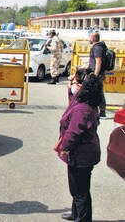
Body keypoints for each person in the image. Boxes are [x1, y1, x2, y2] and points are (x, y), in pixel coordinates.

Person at [56, 74, 102, 222]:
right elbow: (72, 100)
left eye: (79, 83)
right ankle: (75, 213)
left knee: (80, 191)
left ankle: (82, 219)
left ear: (85, 88)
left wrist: (65, 146)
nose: (76, 85)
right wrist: (70, 88)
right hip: (85, 153)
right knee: (77, 189)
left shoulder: (83, 109)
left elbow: (74, 132)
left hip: (81, 155)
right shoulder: (88, 103)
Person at [88, 32, 107, 118]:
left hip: (97, 74)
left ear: (93, 38)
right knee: (97, 92)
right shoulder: (97, 47)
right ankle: (99, 111)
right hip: (97, 73)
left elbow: (98, 62)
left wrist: (95, 75)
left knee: (98, 92)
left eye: (90, 36)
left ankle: (102, 112)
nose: (89, 38)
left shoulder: (98, 48)